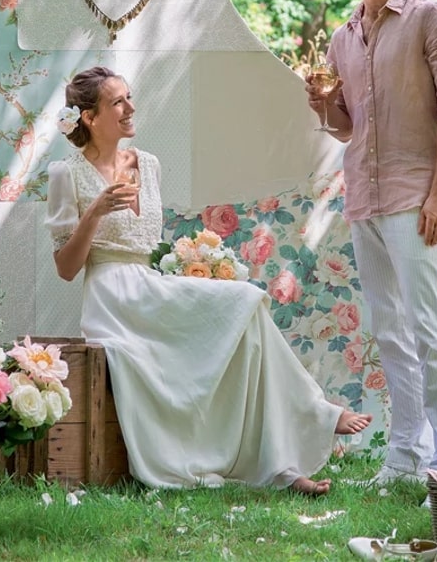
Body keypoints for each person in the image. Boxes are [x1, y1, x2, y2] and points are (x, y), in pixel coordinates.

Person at [46, 66, 371, 495]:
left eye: (130, 96)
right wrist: (95, 212)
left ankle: (283, 464)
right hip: (112, 300)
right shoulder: (65, 173)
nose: (131, 107)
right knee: (242, 305)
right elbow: (67, 269)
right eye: (118, 102)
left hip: (149, 286)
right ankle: (313, 423)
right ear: (88, 118)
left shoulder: (149, 165)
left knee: (246, 306)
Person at [306, 0, 437, 486]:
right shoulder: (342, 37)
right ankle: (406, 457)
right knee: (389, 332)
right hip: (364, 202)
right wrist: (325, 107)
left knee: (431, 327)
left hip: (415, 199)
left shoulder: (432, 19)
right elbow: (349, 127)